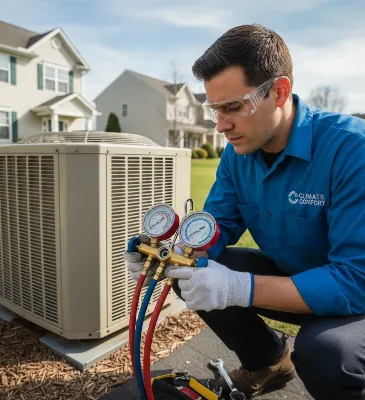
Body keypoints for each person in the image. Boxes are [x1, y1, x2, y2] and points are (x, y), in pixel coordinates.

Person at [124, 24, 365, 400]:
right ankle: (268, 365)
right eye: (215, 109)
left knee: (328, 353)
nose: (221, 125)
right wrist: (173, 255)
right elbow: (217, 225)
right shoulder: (238, 156)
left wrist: (240, 287)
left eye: (234, 107)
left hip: (358, 298)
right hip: (302, 279)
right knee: (192, 273)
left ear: (280, 91)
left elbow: (354, 280)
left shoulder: (353, 150)